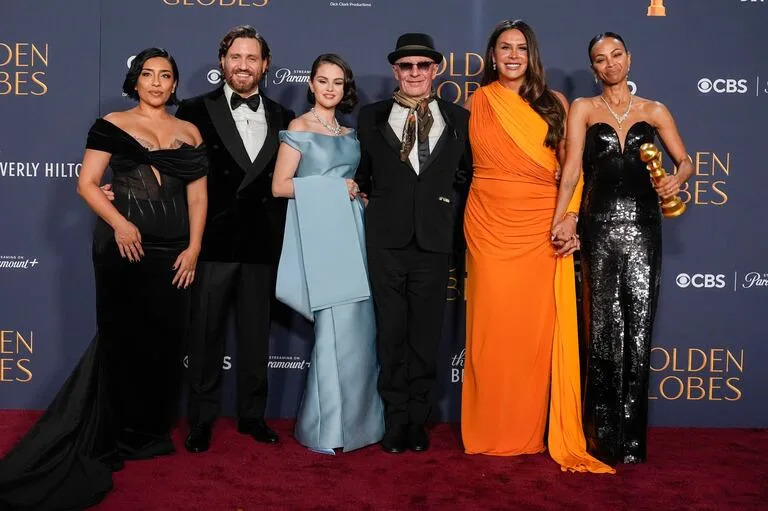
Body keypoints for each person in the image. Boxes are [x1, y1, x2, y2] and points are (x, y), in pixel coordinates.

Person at [0, 47, 207, 510]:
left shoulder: (189, 131)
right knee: (122, 340)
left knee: (165, 342)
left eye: (166, 76)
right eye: (148, 74)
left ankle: (148, 434)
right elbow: (86, 183)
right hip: (121, 248)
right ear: (135, 81)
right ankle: (110, 432)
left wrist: (193, 248)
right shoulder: (111, 124)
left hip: (174, 251)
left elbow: (197, 198)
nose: (157, 82)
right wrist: (119, 222)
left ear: (175, 85)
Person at [461, 19, 613, 473]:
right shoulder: (479, 101)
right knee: (491, 327)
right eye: (504, 48)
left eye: (521, 49)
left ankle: (528, 430)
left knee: (533, 333)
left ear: (532, 56)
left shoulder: (556, 103)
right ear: (492, 55)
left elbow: (573, 165)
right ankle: (489, 428)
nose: (512, 55)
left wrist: (568, 216)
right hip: (488, 223)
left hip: (542, 226)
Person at [551, 32, 693, 465]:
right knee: (601, 328)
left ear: (629, 59)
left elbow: (684, 161)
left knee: (638, 327)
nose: (610, 64)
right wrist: (561, 217)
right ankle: (601, 438)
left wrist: (677, 178)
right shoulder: (583, 109)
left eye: (616, 55)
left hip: (645, 228)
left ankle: (632, 441)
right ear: (593, 68)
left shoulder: (656, 110)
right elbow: (573, 167)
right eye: (601, 58)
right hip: (598, 226)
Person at [175, 26, 295, 453]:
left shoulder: (284, 117)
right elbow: (166, 171)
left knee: (255, 337)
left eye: (252, 58)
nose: (243, 65)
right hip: (211, 243)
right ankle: (201, 419)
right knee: (205, 336)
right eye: (236, 57)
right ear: (222, 62)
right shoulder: (191, 110)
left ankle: (252, 416)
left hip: (263, 245)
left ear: (265, 65)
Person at [355, 33, 472, 454]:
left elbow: (469, 177)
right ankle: (395, 419)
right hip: (385, 240)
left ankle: (418, 420)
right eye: (407, 66)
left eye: (423, 65)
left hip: (436, 241)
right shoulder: (370, 117)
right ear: (396, 71)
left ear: (436, 69)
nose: (416, 73)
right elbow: (361, 174)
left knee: (425, 336)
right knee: (391, 334)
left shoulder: (461, 119)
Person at [271, 54, 384, 454]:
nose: (330, 88)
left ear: (345, 87)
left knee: (358, 331)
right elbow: (281, 186)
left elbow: (354, 185)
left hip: (352, 232)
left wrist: (360, 198)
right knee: (333, 332)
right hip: (321, 238)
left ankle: (360, 427)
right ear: (312, 85)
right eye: (323, 81)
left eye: (337, 82)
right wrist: (336, 190)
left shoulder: (351, 134)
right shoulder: (298, 128)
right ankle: (326, 430)